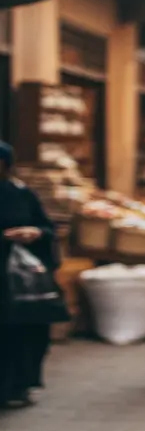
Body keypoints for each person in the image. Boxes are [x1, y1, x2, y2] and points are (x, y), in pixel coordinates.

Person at [0, 141, 62, 408]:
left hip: (22, 282)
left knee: (26, 332)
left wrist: (34, 233)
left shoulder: (23, 194)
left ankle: (20, 384)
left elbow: (47, 228)